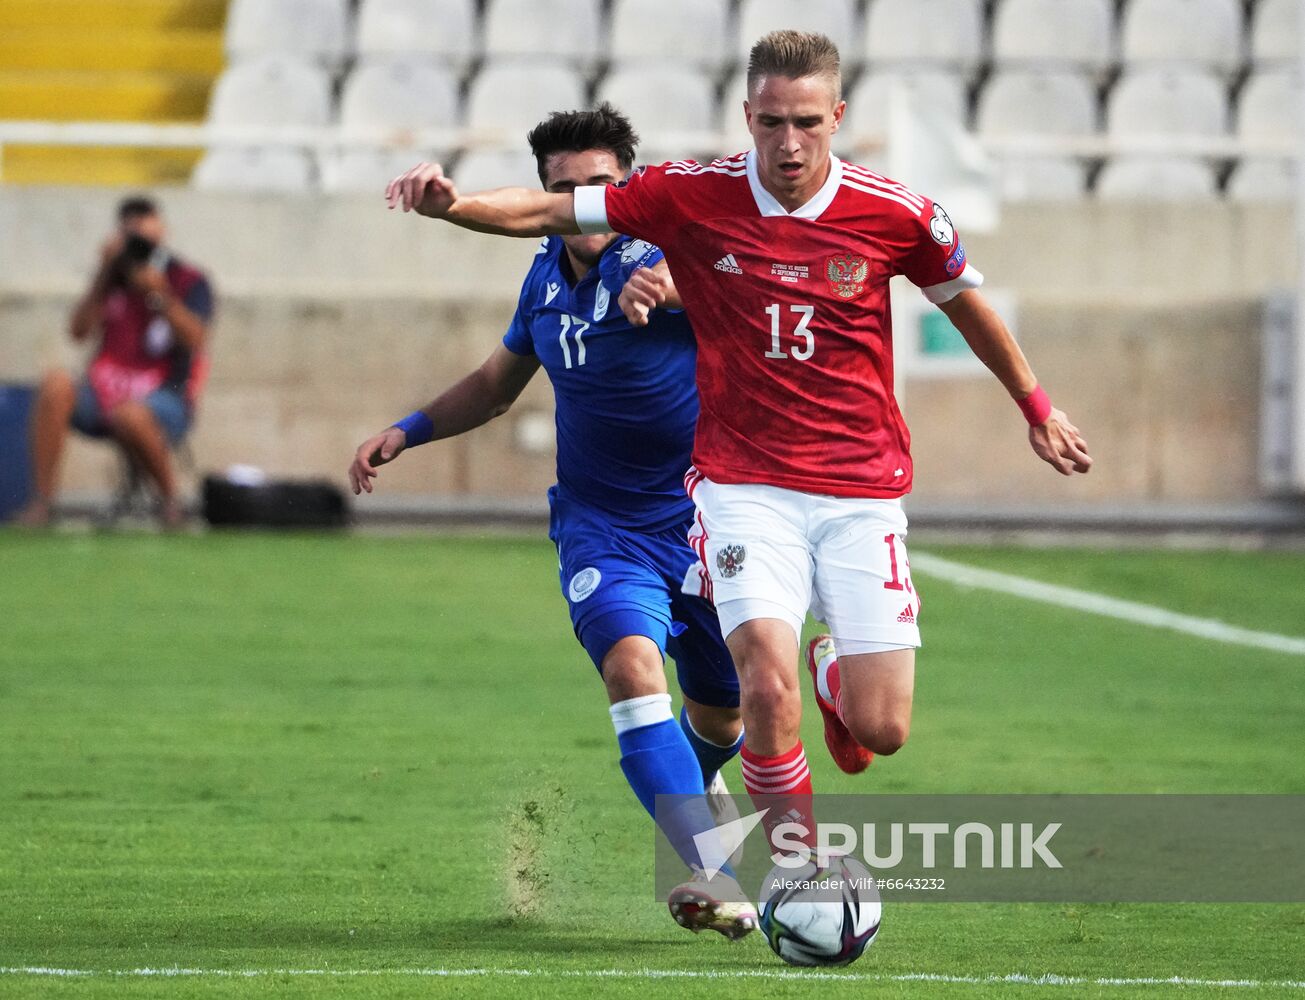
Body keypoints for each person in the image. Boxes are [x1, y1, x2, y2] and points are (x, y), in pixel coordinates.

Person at [383, 31, 1092, 853]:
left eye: (805, 123)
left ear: (837, 116)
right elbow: (547, 211)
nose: (787, 144)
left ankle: (836, 675)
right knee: (762, 680)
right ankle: (795, 874)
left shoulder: (899, 214)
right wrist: (453, 205)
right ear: (745, 115)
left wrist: (1036, 406)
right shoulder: (690, 194)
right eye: (768, 123)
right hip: (740, 485)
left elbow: (965, 305)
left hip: (860, 486)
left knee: (882, 727)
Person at [350, 105, 755, 936]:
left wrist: (691, 288)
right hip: (601, 527)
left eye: (600, 184)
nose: (584, 199)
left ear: (628, 186)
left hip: (707, 521)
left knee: (722, 713)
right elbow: (497, 385)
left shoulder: (676, 254)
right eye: (565, 188)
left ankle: (703, 804)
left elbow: (762, 301)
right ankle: (711, 868)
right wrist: (408, 429)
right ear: (547, 196)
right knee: (632, 670)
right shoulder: (540, 279)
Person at [17, 196, 214, 528]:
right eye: (130, 229)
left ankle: (170, 503)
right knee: (55, 383)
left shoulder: (187, 279)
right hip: (104, 390)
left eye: (144, 227)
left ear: (163, 230)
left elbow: (196, 340)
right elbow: (78, 332)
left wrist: (159, 295)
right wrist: (103, 273)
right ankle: (42, 502)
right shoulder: (111, 278)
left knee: (131, 414)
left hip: (165, 395)